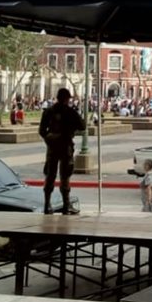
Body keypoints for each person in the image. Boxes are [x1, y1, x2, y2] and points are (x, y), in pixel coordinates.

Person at [38, 87, 85, 215]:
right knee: (65, 176)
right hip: (65, 147)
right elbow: (82, 125)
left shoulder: (48, 111)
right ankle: (66, 205)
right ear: (66, 99)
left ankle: (47, 204)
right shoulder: (70, 112)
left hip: (52, 147)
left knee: (50, 175)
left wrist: (50, 138)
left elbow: (42, 131)